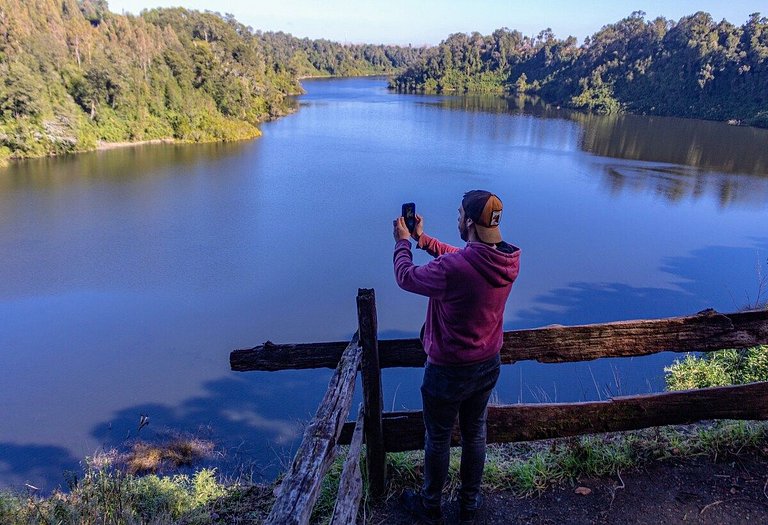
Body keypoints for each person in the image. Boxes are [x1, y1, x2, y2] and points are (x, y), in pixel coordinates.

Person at [392, 190, 521, 525]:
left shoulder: (454, 270)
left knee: (437, 437)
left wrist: (403, 242)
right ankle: (469, 506)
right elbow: (465, 257)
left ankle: (431, 506)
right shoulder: (506, 261)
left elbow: (406, 277)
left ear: (470, 223)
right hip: (487, 364)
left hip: (448, 370)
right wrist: (423, 240)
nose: (458, 218)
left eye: (460, 214)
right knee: (475, 433)